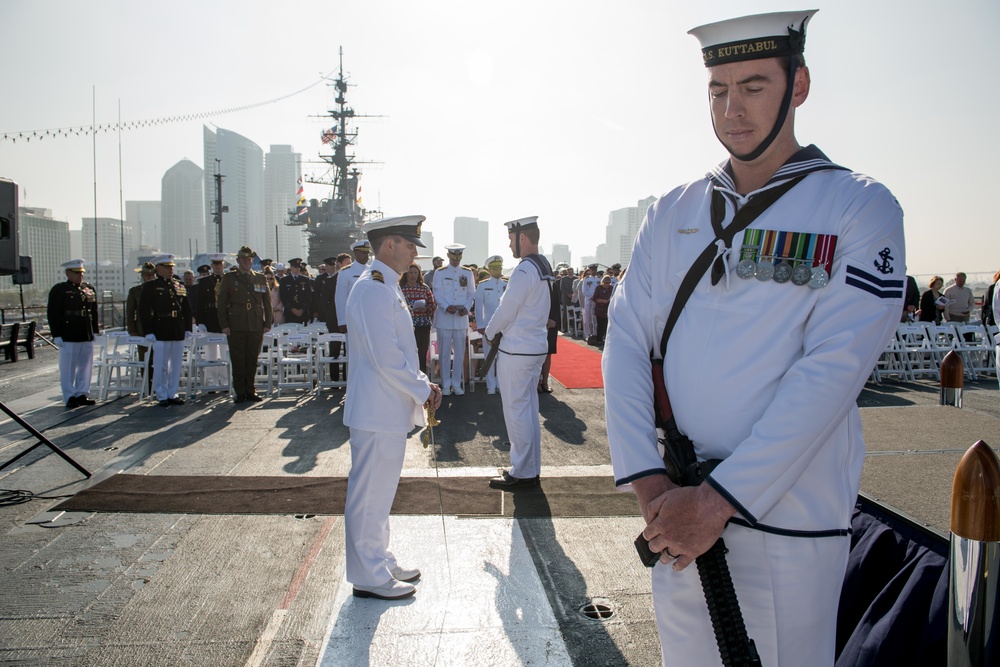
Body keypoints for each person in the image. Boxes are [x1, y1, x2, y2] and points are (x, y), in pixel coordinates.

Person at [602, 11, 905, 666]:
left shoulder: (858, 206)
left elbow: (833, 370)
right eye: (718, 89)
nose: (732, 109)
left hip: (785, 529)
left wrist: (719, 500)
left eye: (754, 86)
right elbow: (625, 341)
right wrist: (655, 489)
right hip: (675, 514)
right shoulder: (672, 210)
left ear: (798, 86)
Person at [342, 215, 442, 601]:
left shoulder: (387, 287)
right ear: (389, 245)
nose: (416, 252)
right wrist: (422, 387)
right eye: (410, 244)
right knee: (368, 495)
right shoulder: (372, 289)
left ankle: (379, 559)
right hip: (375, 408)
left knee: (380, 493)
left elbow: (400, 350)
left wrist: (421, 384)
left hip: (385, 407)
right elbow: (386, 358)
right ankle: (368, 575)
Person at [484, 216, 554, 489]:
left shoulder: (525, 269)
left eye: (511, 239)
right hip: (534, 346)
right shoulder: (542, 265)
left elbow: (507, 308)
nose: (510, 244)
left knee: (516, 411)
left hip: (518, 349)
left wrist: (489, 333)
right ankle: (529, 467)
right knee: (528, 410)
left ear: (522, 238)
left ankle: (522, 471)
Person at [217, 246, 273, 404]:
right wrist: (224, 325)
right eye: (244, 260)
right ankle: (240, 391)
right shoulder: (229, 278)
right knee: (238, 359)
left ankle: (251, 389)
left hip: (255, 323)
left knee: (252, 359)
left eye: (249, 260)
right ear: (238, 261)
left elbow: (266, 302)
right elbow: (221, 304)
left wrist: (267, 322)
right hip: (236, 323)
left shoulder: (260, 278)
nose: (247, 262)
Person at [139, 254, 193, 407]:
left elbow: (186, 309)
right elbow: (144, 310)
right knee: (161, 364)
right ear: (158, 269)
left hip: (176, 327)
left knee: (176, 364)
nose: (171, 269)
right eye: (167, 267)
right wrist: (148, 331)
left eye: (172, 267)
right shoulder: (150, 286)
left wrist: (187, 328)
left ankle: (172, 392)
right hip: (160, 328)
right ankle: (161, 394)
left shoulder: (178, 285)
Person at [47, 259, 101, 408]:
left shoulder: (88, 288)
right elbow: (53, 313)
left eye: (81, 273)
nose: (80, 276)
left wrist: (94, 330)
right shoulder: (60, 290)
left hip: (85, 331)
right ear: (68, 273)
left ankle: (82, 393)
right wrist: (56, 334)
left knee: (86, 365)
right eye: (76, 273)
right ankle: (69, 395)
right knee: (68, 367)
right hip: (68, 332)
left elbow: (93, 311)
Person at [431, 243, 476, 395]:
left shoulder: (467, 273)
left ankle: (457, 383)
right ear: (448, 256)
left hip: (460, 318)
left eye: (459, 256)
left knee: (459, 353)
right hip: (444, 317)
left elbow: (471, 294)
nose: (456, 259)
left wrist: (466, 307)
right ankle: (445, 385)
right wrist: (445, 306)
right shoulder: (440, 272)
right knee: (444, 353)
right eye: (453, 256)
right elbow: (436, 292)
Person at [475, 255, 507, 394]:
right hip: (488, 326)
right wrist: (481, 325)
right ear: (488, 269)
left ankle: (500, 384)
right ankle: (490, 385)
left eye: (499, 267)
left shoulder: (507, 284)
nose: (497, 270)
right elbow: (478, 307)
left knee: (502, 358)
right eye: (494, 268)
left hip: (504, 327)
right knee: (490, 357)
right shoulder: (483, 285)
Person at [400, 262, 436, 375]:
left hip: (423, 324)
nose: (413, 275)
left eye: (415, 273)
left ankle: (422, 375)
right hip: (406, 325)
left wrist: (427, 309)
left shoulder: (424, 288)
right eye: (410, 273)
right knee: (407, 351)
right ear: (406, 274)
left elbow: (432, 305)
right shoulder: (400, 288)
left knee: (421, 351)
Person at [126, 262, 157, 393]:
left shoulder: (158, 289)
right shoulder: (135, 291)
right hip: (141, 329)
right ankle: (147, 386)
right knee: (145, 358)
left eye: (151, 275)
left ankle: (157, 385)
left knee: (158, 358)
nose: (149, 278)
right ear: (142, 276)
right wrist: (132, 330)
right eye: (146, 275)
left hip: (158, 326)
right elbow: (130, 312)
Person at [334, 241, 372, 333]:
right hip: (353, 320)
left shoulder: (372, 270)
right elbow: (340, 298)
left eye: (367, 253)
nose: (366, 256)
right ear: (356, 253)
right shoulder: (346, 272)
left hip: (370, 318)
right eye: (363, 253)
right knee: (354, 347)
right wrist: (343, 321)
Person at [196, 254, 227, 333]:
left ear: (224, 265)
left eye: (220, 264)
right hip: (210, 317)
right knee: (210, 344)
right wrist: (200, 322)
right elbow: (200, 303)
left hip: (226, 317)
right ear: (212, 265)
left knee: (225, 344)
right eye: (216, 264)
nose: (218, 266)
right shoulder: (204, 281)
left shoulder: (229, 280)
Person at [278, 258, 313, 324]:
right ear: (291, 267)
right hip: (290, 312)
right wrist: (292, 309)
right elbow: (283, 296)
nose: (297, 269)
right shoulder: (284, 280)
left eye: (298, 267)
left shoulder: (305, 279)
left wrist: (302, 309)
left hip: (303, 312)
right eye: (295, 267)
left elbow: (308, 295)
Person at [591, 275, 614, 345]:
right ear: (603, 282)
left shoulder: (611, 288)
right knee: (600, 325)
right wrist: (603, 301)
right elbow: (595, 298)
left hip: (608, 309)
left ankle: (607, 339)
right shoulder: (598, 288)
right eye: (606, 283)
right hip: (600, 309)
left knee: (607, 325)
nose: (607, 284)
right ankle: (599, 339)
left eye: (609, 283)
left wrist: (609, 301)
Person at [580, 264, 600, 342]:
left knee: (595, 318)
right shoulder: (586, 280)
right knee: (587, 318)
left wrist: (596, 298)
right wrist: (591, 297)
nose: (594, 271)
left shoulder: (599, 279)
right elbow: (584, 291)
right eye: (592, 270)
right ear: (590, 271)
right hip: (589, 300)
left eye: (595, 270)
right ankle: (588, 334)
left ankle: (595, 334)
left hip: (596, 301)